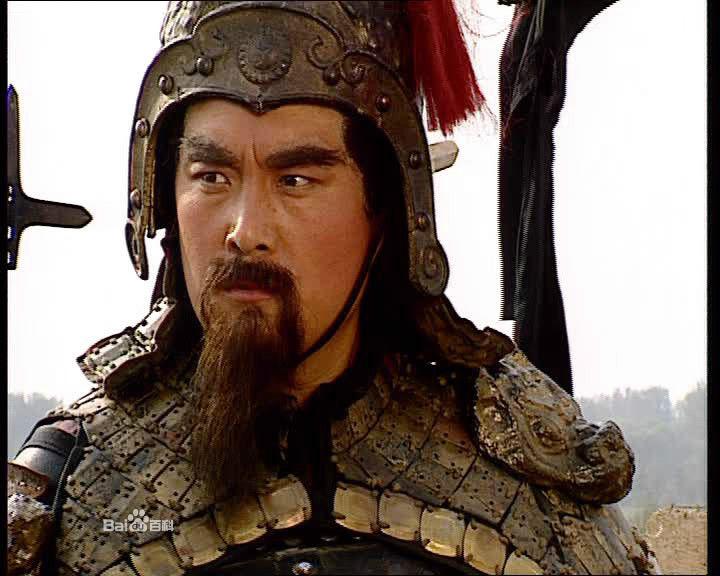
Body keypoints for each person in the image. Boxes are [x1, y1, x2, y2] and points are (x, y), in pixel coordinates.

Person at [7, 2, 659, 575]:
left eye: (296, 180)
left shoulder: (530, 485)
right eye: (211, 177)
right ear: (161, 198)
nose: (245, 232)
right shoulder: (73, 487)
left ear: (388, 213)